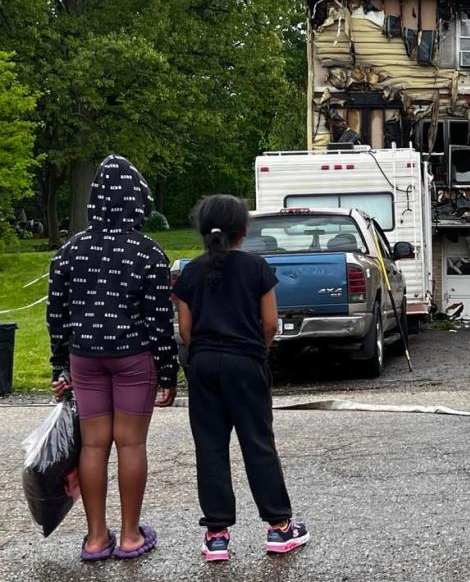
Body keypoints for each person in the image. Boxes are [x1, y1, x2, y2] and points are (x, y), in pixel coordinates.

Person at [47, 155, 178, 562]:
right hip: (132, 355)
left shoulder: (69, 251)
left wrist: (60, 366)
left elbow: (56, 314)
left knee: (93, 446)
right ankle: (130, 536)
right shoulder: (148, 252)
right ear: (136, 201)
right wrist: (168, 372)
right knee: (131, 443)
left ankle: (94, 538)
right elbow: (159, 319)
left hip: (84, 357)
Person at [173, 194, 308, 562]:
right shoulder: (256, 268)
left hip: (203, 365)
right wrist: (258, 349)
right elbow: (270, 323)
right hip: (246, 362)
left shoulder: (189, 273)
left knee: (210, 447)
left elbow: (186, 330)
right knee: (257, 442)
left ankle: (217, 535)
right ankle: (279, 528)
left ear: (202, 230)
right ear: (243, 230)